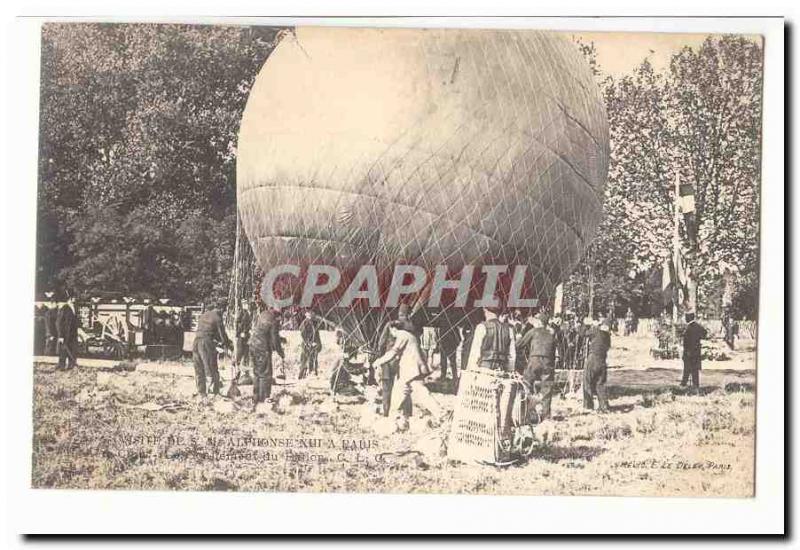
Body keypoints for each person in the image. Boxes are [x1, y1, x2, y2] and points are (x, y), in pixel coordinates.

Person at [372, 321, 443, 427]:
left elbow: (393, 353)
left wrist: (378, 361)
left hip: (412, 369)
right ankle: (392, 417)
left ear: (393, 329)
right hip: (410, 369)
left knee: (422, 394)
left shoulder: (402, 336)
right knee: (400, 393)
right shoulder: (409, 336)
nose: (391, 334)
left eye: (390, 332)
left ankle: (442, 415)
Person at [192, 302, 232, 398]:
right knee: (211, 366)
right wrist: (229, 345)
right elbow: (222, 335)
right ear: (221, 310)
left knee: (199, 368)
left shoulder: (203, 315)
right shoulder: (217, 317)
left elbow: (207, 330)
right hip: (206, 343)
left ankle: (201, 393)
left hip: (196, 341)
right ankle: (214, 391)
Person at [249, 306, 285, 407]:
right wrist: (280, 352)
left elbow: (261, 330)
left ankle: (256, 396)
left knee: (257, 373)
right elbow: (274, 339)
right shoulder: (274, 320)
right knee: (266, 374)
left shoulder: (263, 314)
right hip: (262, 348)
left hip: (252, 345)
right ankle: (264, 398)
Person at [525, 312, 557, 420]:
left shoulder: (533, 331)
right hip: (548, 362)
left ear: (538, 322)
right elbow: (553, 351)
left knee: (526, 384)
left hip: (534, 360)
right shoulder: (551, 334)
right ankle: (546, 416)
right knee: (547, 389)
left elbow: (520, 344)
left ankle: (525, 412)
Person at [583, 321, 611, 412]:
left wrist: (585, 324)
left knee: (587, 381)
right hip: (603, 361)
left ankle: (588, 405)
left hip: (593, 358)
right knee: (600, 384)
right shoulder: (607, 337)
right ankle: (604, 406)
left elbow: (583, 333)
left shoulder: (596, 331)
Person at [681, 312, 708, 391]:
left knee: (687, 368)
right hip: (696, 351)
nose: (685, 319)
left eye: (686, 318)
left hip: (688, 352)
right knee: (695, 369)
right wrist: (698, 340)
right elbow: (705, 333)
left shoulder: (688, 328)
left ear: (688, 318)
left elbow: (686, 342)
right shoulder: (698, 326)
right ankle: (695, 385)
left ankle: (684, 384)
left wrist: (685, 352)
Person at [56, 294, 80, 370]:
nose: (75, 300)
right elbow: (58, 323)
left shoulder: (75, 308)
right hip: (65, 334)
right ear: (69, 299)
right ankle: (61, 365)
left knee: (72, 349)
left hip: (73, 333)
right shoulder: (64, 308)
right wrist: (61, 336)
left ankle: (71, 365)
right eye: (73, 298)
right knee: (63, 350)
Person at [298, 310, 321, 378]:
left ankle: (312, 374)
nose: (312, 314)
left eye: (312, 313)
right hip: (307, 345)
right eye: (310, 313)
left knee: (313, 360)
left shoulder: (314, 323)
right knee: (304, 360)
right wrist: (308, 342)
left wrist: (318, 343)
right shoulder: (305, 322)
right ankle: (301, 375)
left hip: (313, 345)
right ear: (307, 314)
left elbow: (317, 334)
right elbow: (302, 333)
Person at [438, 323, 461, 388]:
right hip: (445, 347)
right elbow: (440, 338)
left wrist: (454, 346)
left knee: (452, 363)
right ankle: (445, 376)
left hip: (450, 347)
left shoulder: (453, 328)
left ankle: (454, 377)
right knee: (444, 362)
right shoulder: (443, 327)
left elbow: (458, 339)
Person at [234, 301, 253, 373]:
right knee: (240, 351)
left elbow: (248, 324)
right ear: (243, 305)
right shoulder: (241, 312)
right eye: (245, 304)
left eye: (247, 304)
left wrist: (249, 331)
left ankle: (245, 368)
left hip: (246, 334)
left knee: (246, 351)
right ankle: (237, 367)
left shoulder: (248, 313)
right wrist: (239, 332)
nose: (246, 305)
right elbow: (237, 322)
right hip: (241, 335)